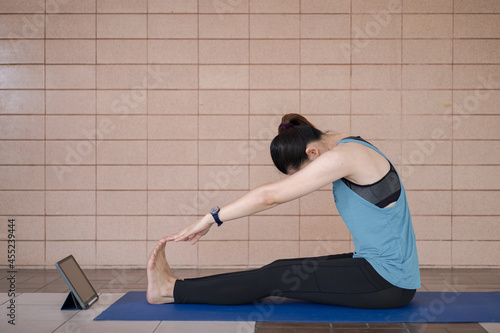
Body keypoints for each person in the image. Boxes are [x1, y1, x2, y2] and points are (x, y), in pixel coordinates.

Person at [146, 113, 420, 309]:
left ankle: (169, 290)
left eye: (301, 172)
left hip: (387, 282)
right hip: (381, 270)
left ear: (312, 153)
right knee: (280, 270)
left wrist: (209, 219)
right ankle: (176, 285)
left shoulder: (344, 156)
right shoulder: (348, 144)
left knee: (277, 276)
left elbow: (270, 197)